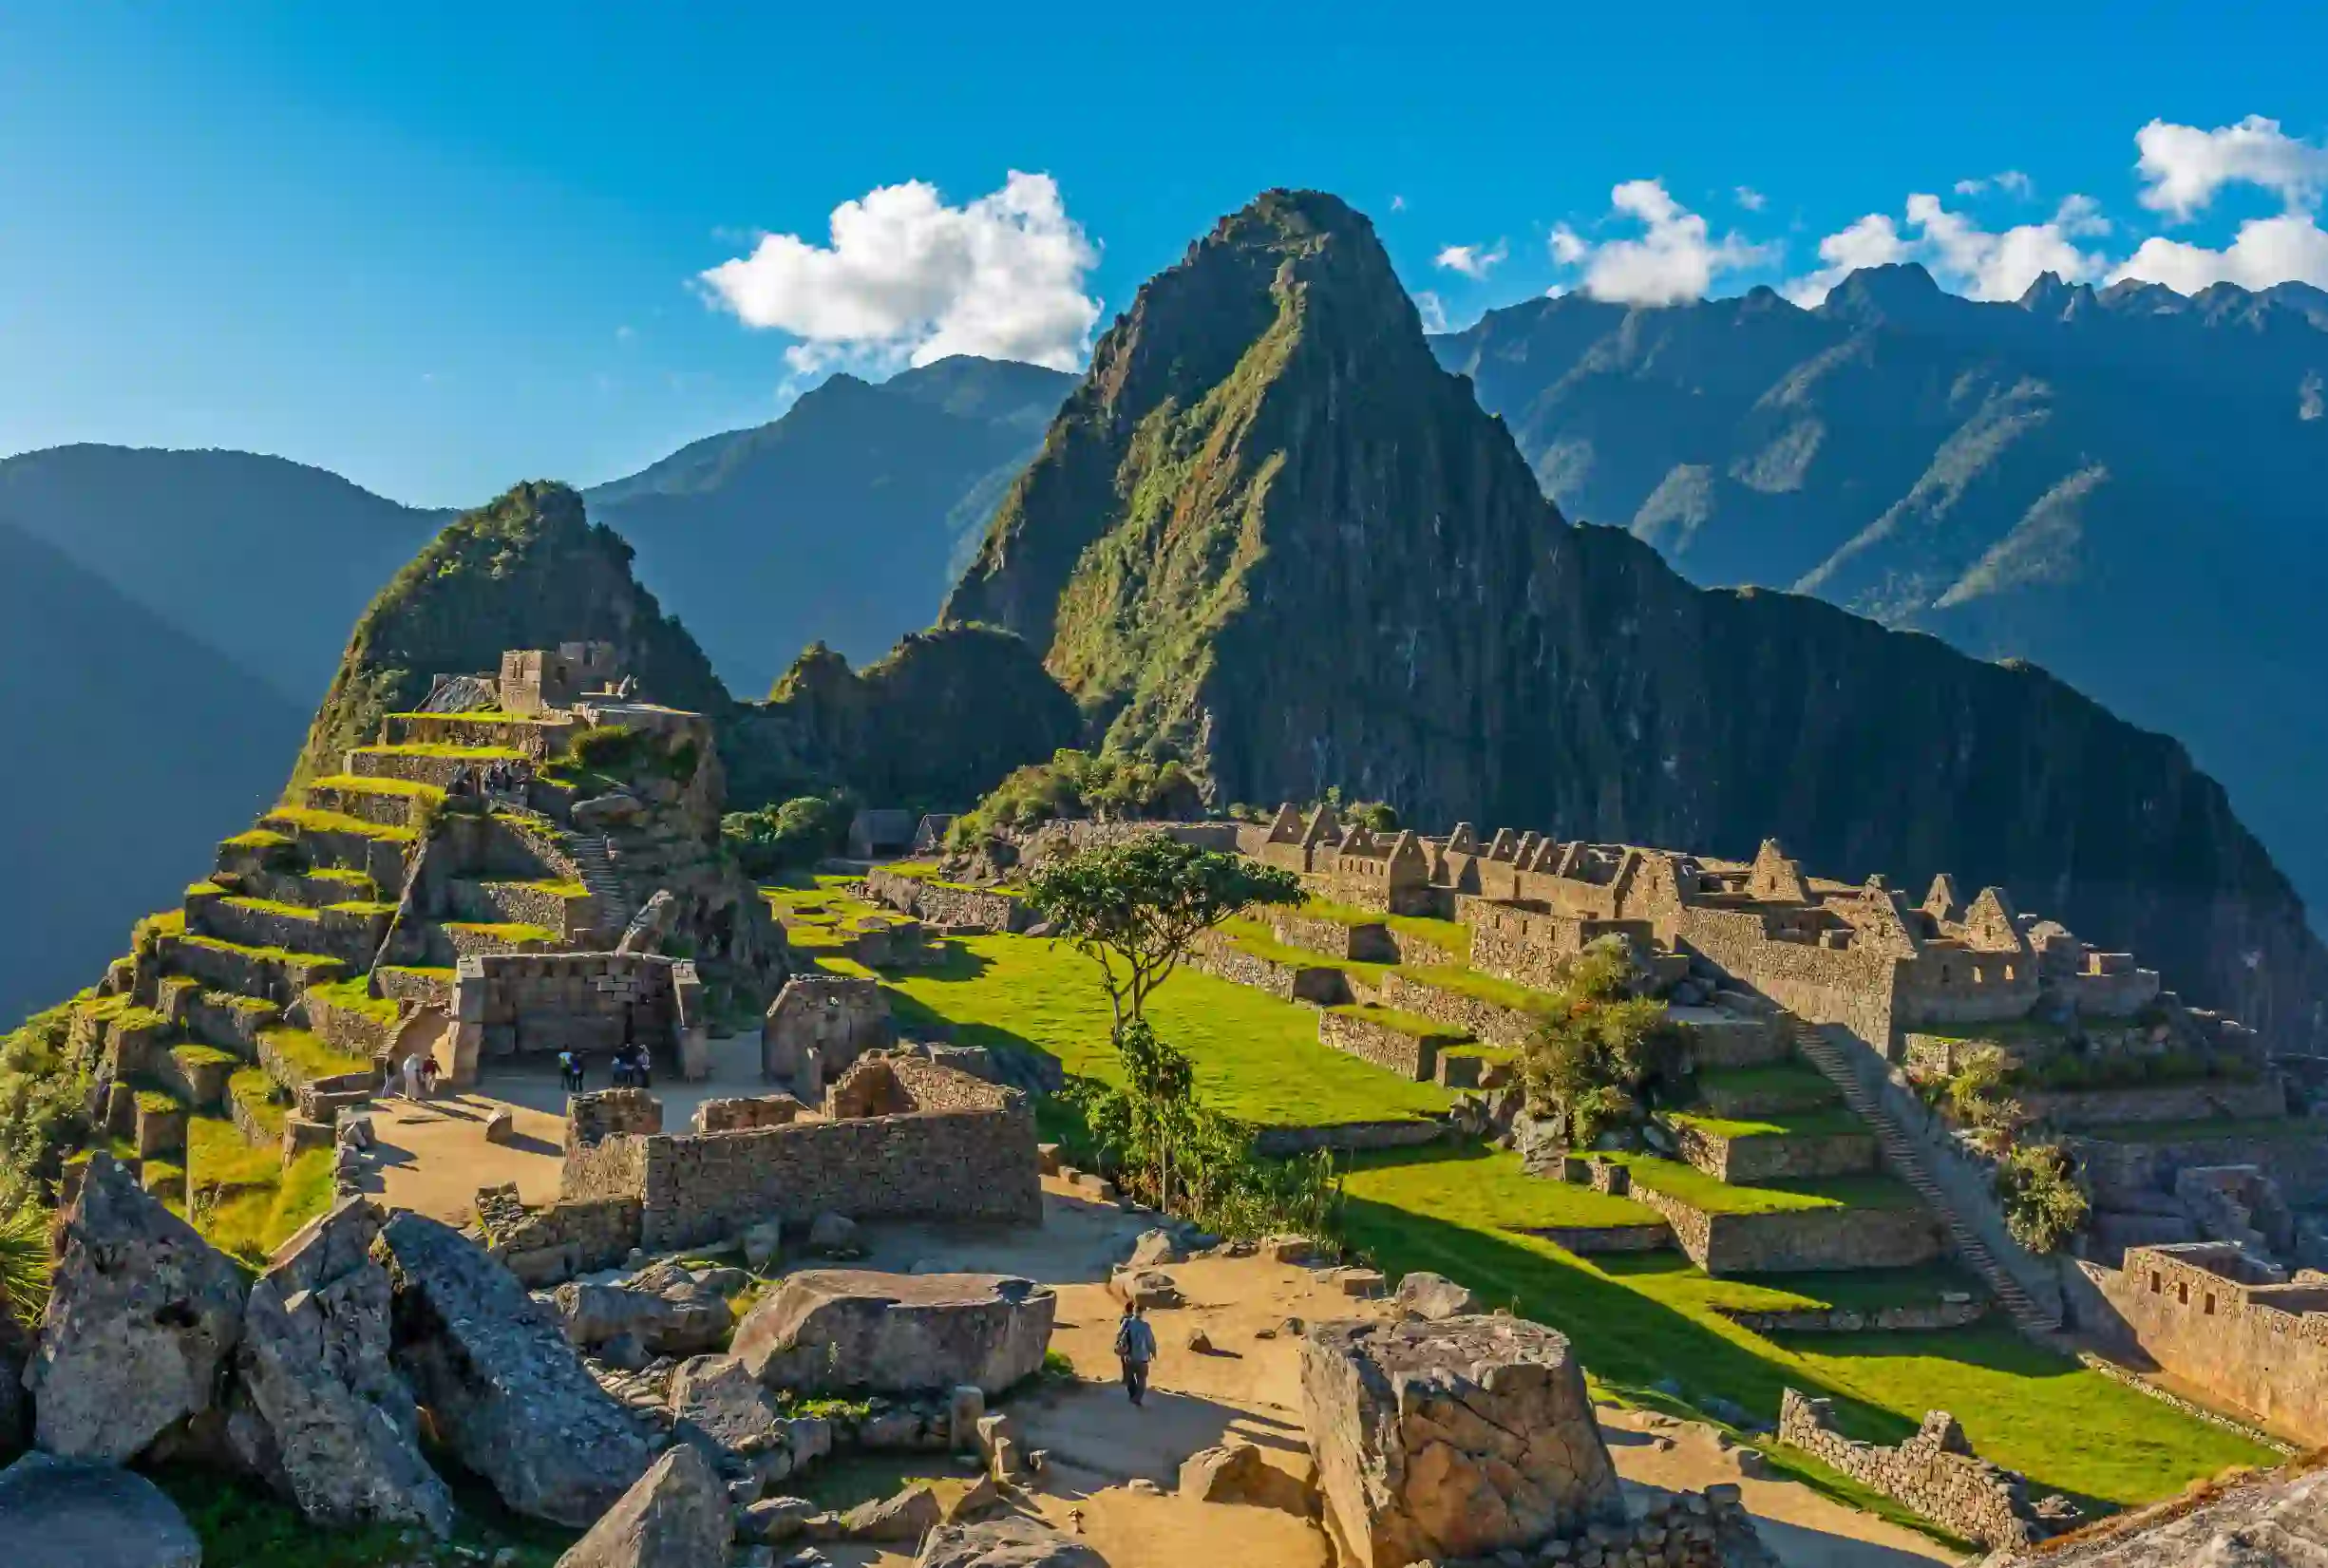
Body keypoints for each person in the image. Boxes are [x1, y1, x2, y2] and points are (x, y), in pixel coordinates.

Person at [1113, 1299, 1157, 1407]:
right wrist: (1153, 1352)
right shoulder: (1146, 1326)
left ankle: (1132, 1396)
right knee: (1142, 1380)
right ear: (1142, 1313)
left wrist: (1120, 1346)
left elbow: (1119, 1334)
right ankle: (1136, 1399)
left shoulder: (1127, 1322)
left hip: (1129, 1356)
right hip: (1142, 1357)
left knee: (1130, 1377)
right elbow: (1150, 1341)